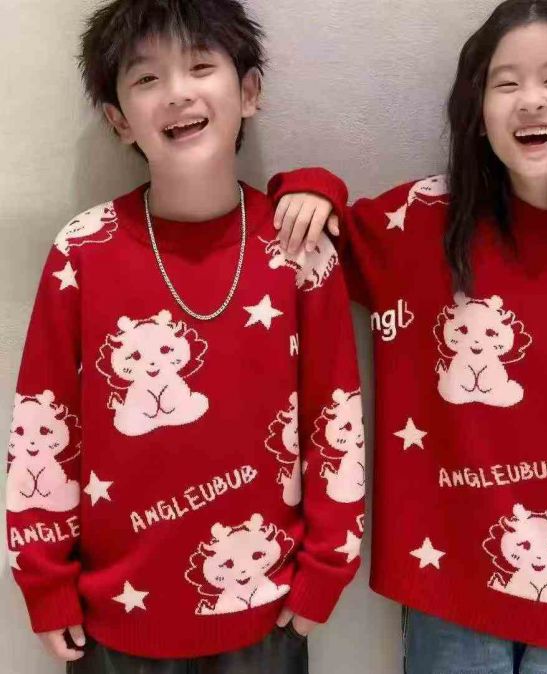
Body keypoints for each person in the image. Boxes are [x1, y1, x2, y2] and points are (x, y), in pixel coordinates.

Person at [270, 1, 547, 672]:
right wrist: (311, 185)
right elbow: (320, 234)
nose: (531, 100)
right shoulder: (421, 222)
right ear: (477, 113)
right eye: (505, 83)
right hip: (447, 588)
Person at [5, 1, 364, 672]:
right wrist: (44, 580)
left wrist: (327, 570)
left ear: (249, 91)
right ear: (119, 120)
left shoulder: (298, 249)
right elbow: (43, 427)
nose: (176, 92)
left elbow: (335, 420)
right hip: (114, 618)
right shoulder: (82, 249)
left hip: (266, 611)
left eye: (200, 66)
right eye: (146, 78)